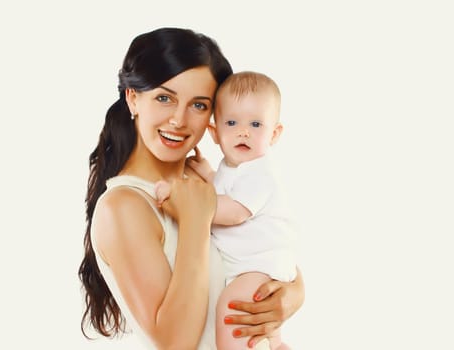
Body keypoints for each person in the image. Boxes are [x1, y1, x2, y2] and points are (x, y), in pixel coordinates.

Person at [78, 27, 305, 350]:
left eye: (199, 105)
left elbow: (263, 248)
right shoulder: (124, 206)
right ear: (133, 98)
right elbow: (176, 343)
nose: (179, 120)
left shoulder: (206, 186)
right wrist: (197, 219)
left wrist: (293, 292)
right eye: (164, 98)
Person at [155, 71, 296, 350]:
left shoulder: (261, 171)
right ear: (215, 133)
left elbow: (234, 211)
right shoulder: (234, 168)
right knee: (266, 334)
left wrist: (182, 200)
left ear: (275, 133)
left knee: (233, 313)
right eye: (232, 122)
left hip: (260, 266)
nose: (244, 131)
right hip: (250, 265)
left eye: (256, 124)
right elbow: (223, 192)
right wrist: (208, 176)